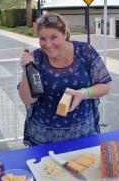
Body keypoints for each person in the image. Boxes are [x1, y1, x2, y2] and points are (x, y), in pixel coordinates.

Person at [18, 12, 112, 146]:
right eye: (42, 38)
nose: (47, 44)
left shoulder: (85, 51)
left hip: (83, 135)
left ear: (65, 34)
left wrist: (84, 93)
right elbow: (27, 99)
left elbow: (105, 85)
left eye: (53, 37)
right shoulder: (36, 59)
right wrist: (27, 69)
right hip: (43, 140)